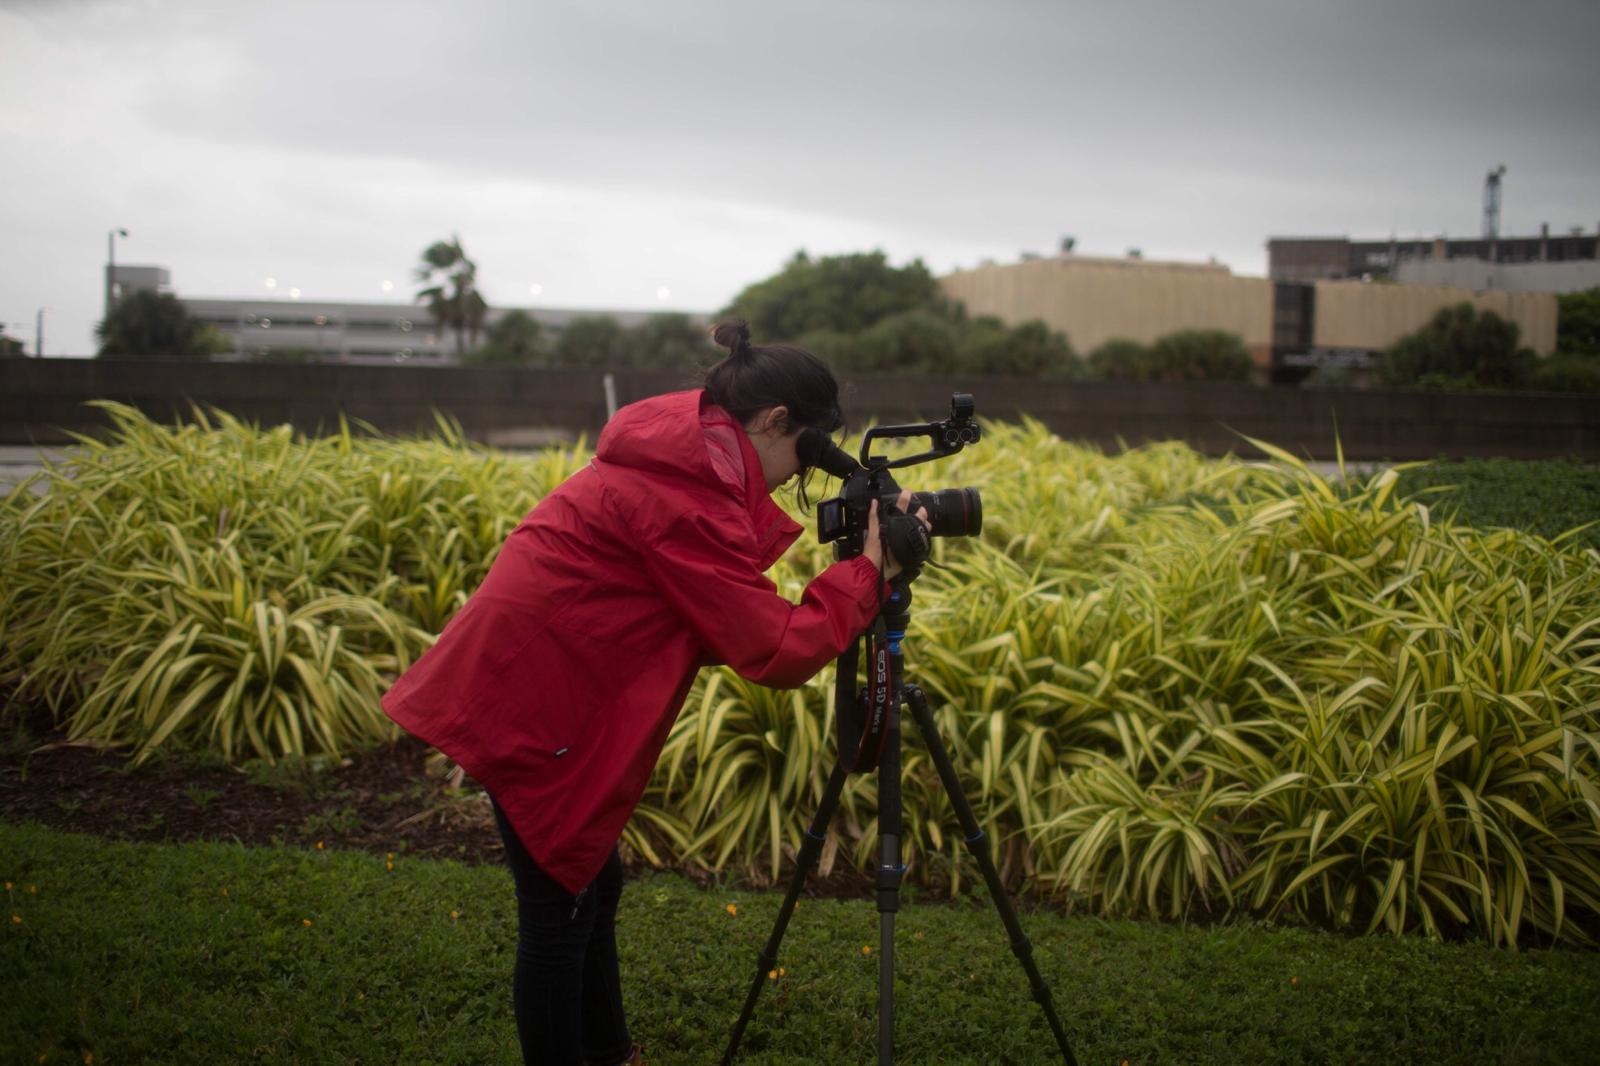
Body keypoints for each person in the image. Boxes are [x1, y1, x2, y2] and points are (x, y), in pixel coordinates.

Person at [380, 320, 926, 1066]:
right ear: (772, 423)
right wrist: (869, 572)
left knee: (590, 886)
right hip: (535, 698)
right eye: (802, 455)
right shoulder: (684, 492)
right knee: (558, 911)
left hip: (536, 678)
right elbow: (774, 649)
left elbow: (710, 618)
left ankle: (611, 1054)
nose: (794, 481)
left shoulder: (684, 450)